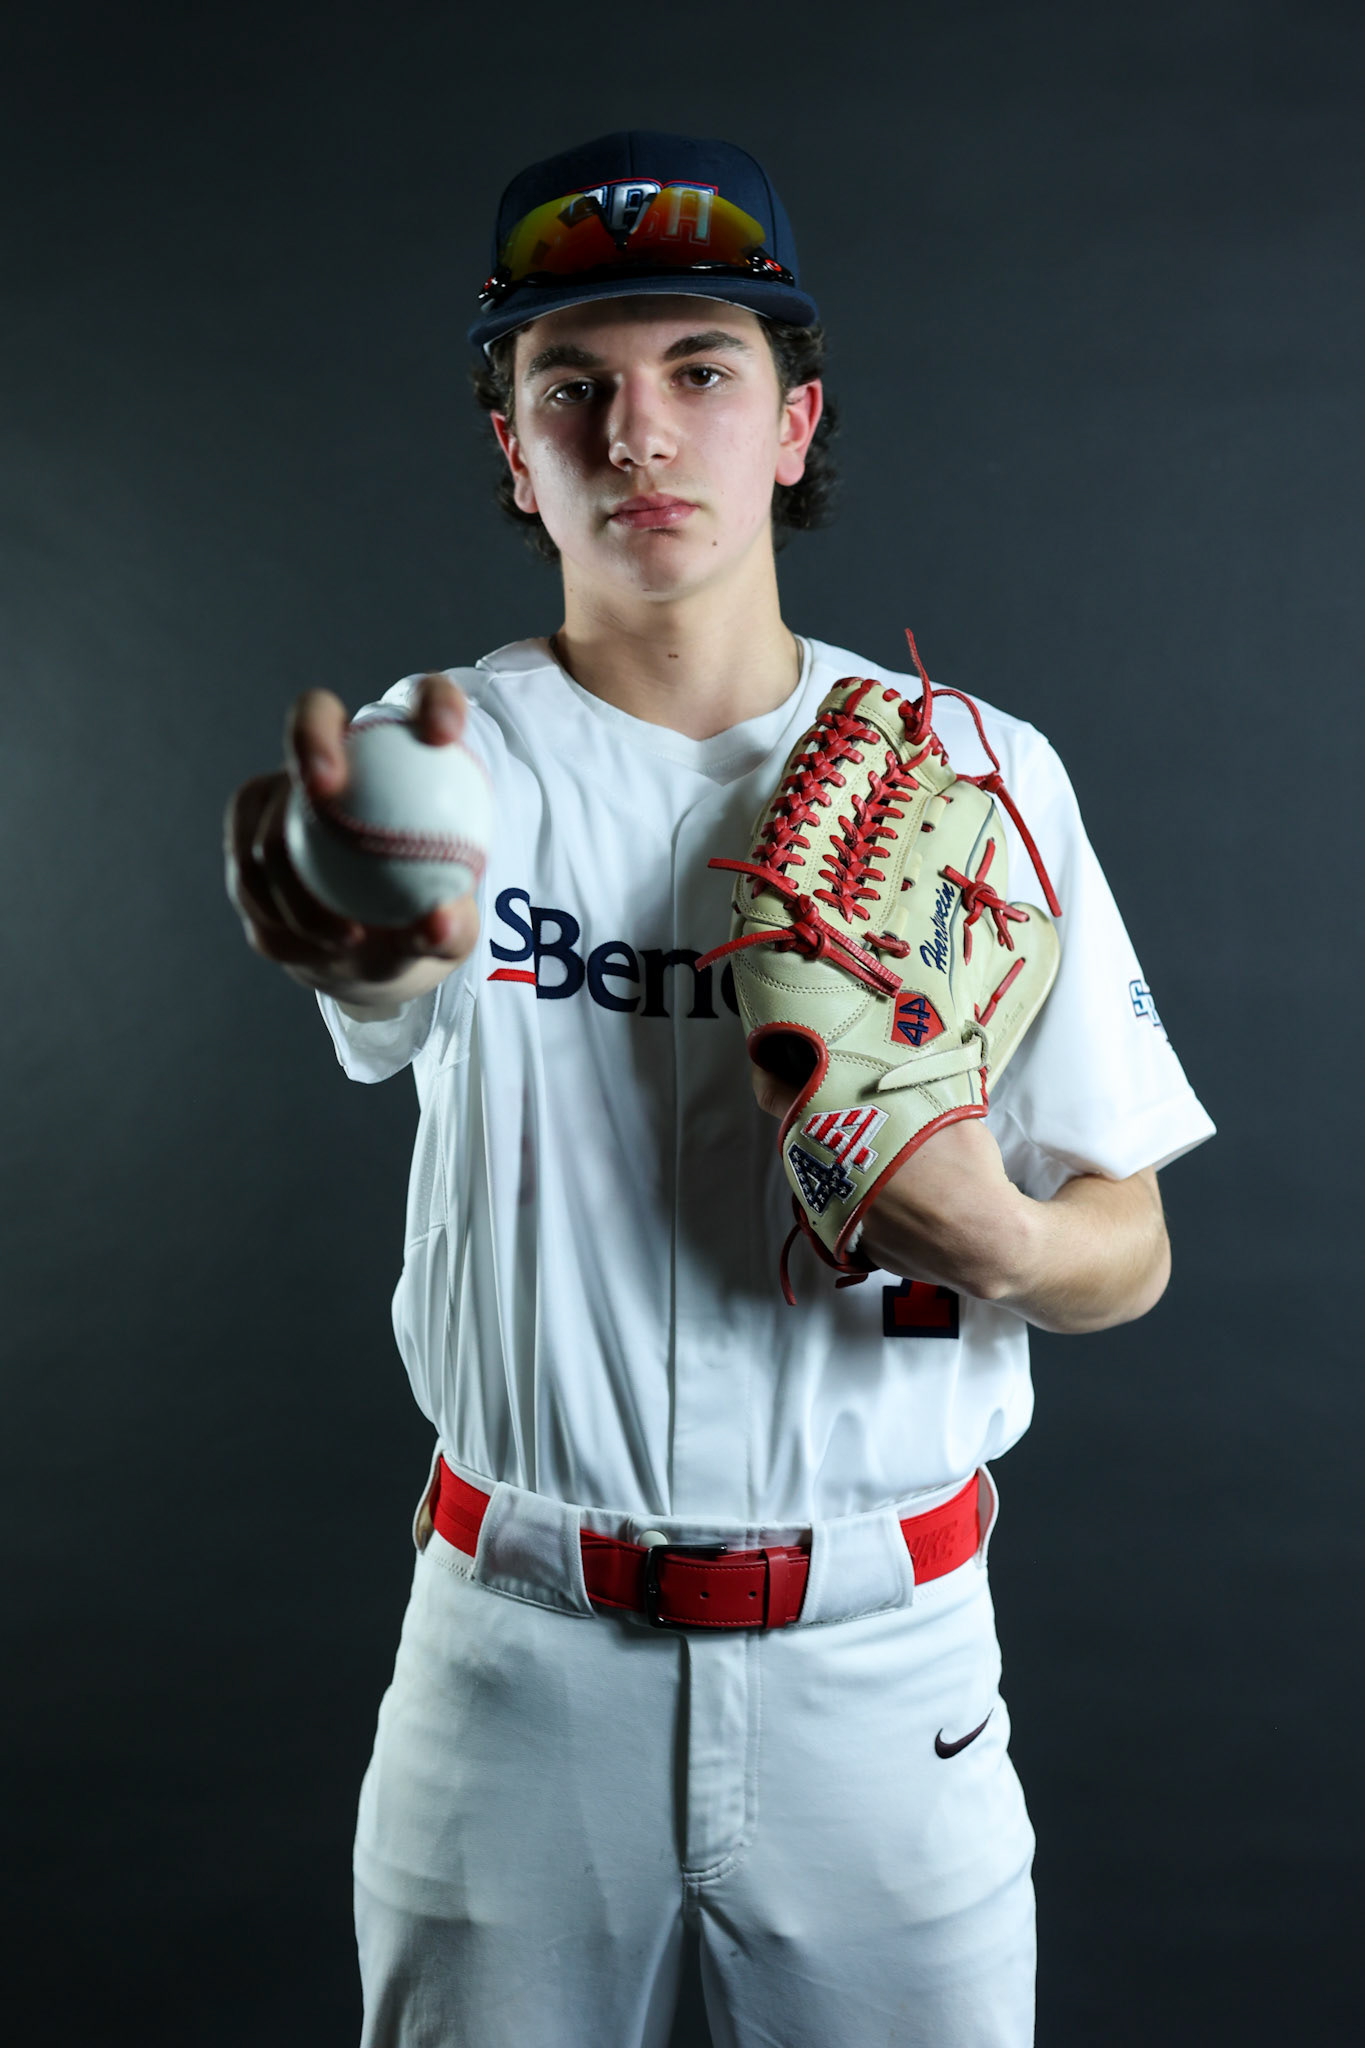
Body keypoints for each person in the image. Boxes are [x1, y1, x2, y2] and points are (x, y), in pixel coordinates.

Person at [225, 131, 1214, 2048]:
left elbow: (1130, 1253)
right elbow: (372, 945)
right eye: (570, 388)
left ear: (792, 421)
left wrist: (994, 1226)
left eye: (700, 372)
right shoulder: (443, 770)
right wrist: (352, 922)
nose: (636, 434)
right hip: (512, 1673)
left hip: (887, 1673)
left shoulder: (978, 778)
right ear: (514, 452)